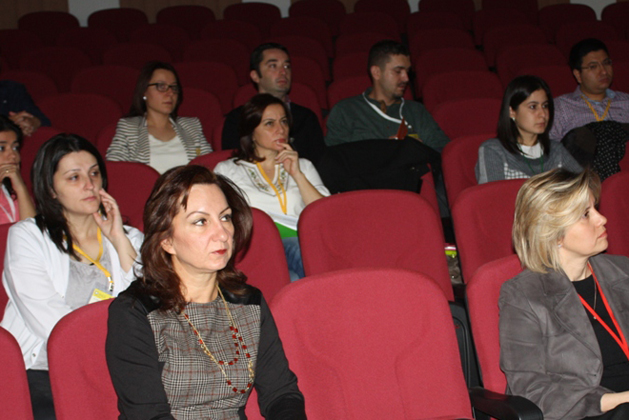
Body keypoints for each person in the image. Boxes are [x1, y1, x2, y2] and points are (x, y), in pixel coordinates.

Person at [106, 165, 306, 419]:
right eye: (201, 221)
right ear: (166, 240)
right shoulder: (136, 312)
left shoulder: (247, 302)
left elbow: (281, 393)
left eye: (225, 217)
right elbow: (149, 415)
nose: (222, 234)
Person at [0, 134, 143, 420]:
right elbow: (47, 316)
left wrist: (118, 238)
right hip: (45, 367)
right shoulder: (27, 236)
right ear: (51, 189)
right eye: (74, 177)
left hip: (121, 365)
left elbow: (146, 305)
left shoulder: (130, 237)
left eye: (94, 174)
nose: (90, 185)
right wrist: (109, 354)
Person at [500, 168, 629, 420]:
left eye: (595, 208)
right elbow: (531, 391)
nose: (602, 218)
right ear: (554, 233)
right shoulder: (523, 296)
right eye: (585, 214)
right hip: (589, 413)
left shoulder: (623, 270)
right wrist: (619, 400)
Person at [215, 94, 329, 280]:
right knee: (299, 252)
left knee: (293, 277)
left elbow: (325, 214)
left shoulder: (303, 165)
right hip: (260, 244)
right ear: (252, 132)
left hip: (306, 239)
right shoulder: (228, 170)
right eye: (269, 124)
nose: (281, 129)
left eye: (283, 121)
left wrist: (297, 174)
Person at [325, 40, 449, 152]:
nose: (406, 78)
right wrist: (384, 150)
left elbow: (443, 150)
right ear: (376, 72)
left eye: (407, 71)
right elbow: (334, 158)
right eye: (398, 71)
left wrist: (418, 148)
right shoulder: (346, 110)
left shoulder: (416, 111)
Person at [221, 43, 326, 164]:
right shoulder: (238, 118)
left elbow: (320, 162)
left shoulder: (306, 117)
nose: (283, 72)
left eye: (287, 66)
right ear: (255, 76)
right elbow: (234, 162)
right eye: (273, 66)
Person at [106, 61, 212, 174]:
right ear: (144, 92)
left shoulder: (191, 126)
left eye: (174, 87)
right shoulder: (129, 127)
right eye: (161, 86)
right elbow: (114, 171)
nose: (170, 93)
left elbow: (210, 165)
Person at [476, 75, 581, 184]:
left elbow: (585, 184)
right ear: (512, 112)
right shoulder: (493, 150)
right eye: (533, 107)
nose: (543, 114)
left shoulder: (556, 150)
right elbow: (493, 193)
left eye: (545, 106)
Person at [549, 38, 629, 141]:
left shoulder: (626, 101)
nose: (604, 71)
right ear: (578, 75)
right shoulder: (560, 108)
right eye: (593, 67)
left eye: (606, 63)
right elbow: (548, 147)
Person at [0, 115, 35, 223]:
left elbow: (32, 230)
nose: (13, 155)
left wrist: (20, 187)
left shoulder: (13, 190)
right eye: (1, 148)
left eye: (15, 147)